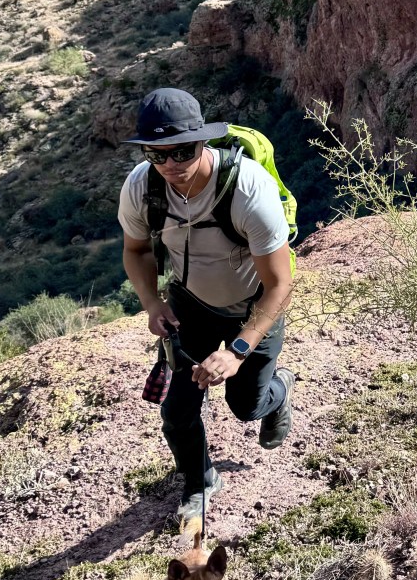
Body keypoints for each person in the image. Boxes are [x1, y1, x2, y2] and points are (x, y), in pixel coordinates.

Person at [117, 87, 296, 528]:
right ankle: (199, 482)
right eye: (157, 154)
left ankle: (280, 391)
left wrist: (236, 351)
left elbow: (279, 284)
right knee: (177, 411)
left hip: (252, 307)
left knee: (245, 407)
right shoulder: (143, 187)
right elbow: (136, 249)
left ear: (203, 141)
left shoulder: (247, 188)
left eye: (182, 150)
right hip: (189, 305)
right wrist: (151, 301)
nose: (171, 165)